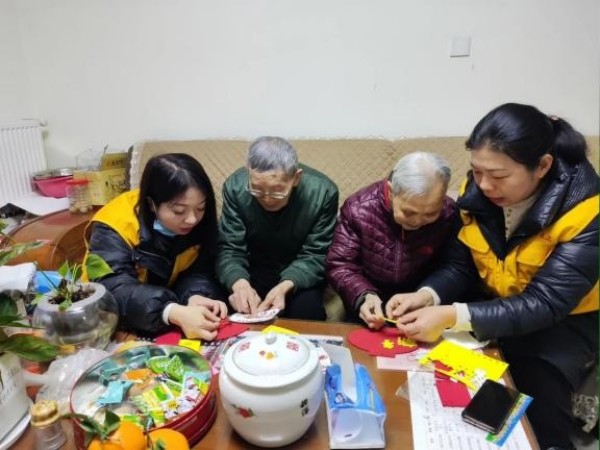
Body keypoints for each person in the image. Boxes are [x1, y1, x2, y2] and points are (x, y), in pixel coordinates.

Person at [388, 103, 599, 450]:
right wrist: (428, 295)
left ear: (542, 166)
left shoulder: (587, 210)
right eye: (477, 170)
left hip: (563, 320)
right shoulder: (476, 193)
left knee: (537, 385)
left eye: (499, 176)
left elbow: (546, 303)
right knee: (442, 375)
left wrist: (455, 315)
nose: (484, 185)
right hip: (495, 302)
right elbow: (461, 264)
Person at [84, 153, 227, 340]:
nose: (192, 219)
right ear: (151, 204)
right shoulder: (115, 224)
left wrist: (194, 296)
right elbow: (112, 289)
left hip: (159, 319)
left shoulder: (199, 224)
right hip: (106, 321)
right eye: (179, 211)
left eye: (200, 208)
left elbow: (198, 270)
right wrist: (171, 311)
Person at [326, 152, 455, 328]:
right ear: (390, 190)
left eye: (431, 213)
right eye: (409, 212)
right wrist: (364, 295)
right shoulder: (358, 209)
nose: (418, 221)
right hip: (370, 295)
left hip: (424, 298)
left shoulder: (449, 212)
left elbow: (453, 265)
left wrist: (427, 295)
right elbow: (341, 263)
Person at [216, 136, 339, 320]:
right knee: (220, 310)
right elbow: (229, 248)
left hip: (300, 273)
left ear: (296, 177)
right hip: (252, 269)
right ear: (248, 173)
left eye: (277, 191)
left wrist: (285, 286)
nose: (267, 198)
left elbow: (316, 253)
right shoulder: (235, 188)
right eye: (257, 189)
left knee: (307, 311)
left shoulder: (323, 193)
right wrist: (239, 283)